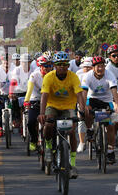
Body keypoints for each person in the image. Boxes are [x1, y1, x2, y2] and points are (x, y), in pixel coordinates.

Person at [38, 51, 87, 179]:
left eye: (64, 64)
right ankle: (48, 148)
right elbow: (44, 95)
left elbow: (79, 94)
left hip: (68, 107)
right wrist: (42, 113)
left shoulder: (73, 77)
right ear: (54, 65)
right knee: (48, 125)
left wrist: (81, 110)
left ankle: (73, 163)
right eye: (59, 64)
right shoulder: (49, 77)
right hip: (52, 106)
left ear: (68, 66)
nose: (62, 67)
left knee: (71, 131)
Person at [81, 56, 118, 163]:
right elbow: (84, 92)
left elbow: (113, 90)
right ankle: (90, 129)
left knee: (111, 125)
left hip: (106, 101)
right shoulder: (87, 76)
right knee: (87, 110)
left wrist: (117, 103)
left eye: (102, 66)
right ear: (93, 68)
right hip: (92, 99)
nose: (100, 68)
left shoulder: (109, 74)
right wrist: (83, 105)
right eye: (98, 66)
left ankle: (111, 151)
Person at [23, 54, 53, 151]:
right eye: (45, 66)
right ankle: (33, 139)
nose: (48, 68)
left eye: (50, 65)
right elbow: (29, 89)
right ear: (40, 66)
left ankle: (51, 141)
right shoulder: (34, 75)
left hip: (50, 101)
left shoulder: (54, 74)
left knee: (53, 122)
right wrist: (26, 100)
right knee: (31, 122)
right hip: (35, 100)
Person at [9, 53, 32, 130]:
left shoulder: (34, 69)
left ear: (30, 62)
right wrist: (11, 92)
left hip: (30, 92)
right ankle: (17, 119)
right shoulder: (17, 70)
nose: (24, 64)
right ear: (20, 62)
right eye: (23, 62)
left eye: (26, 62)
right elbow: (13, 81)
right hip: (18, 92)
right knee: (14, 101)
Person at [75, 56, 93, 152]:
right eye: (85, 67)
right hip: (82, 99)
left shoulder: (97, 74)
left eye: (89, 67)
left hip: (94, 99)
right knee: (81, 119)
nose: (87, 69)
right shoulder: (79, 74)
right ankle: (82, 142)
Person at [0, 54, 12, 138]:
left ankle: (17, 121)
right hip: (0, 94)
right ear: (2, 61)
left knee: (15, 107)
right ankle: (0, 127)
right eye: (5, 60)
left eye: (8, 60)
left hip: (11, 94)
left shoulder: (14, 69)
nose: (6, 62)